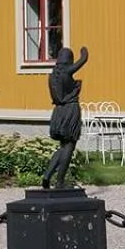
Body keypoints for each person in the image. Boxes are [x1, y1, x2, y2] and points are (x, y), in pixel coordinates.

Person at [40, 45, 89, 189]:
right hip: (70, 111)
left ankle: (47, 175)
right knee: (69, 145)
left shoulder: (52, 75)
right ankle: (59, 182)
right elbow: (83, 60)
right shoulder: (67, 72)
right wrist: (84, 51)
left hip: (58, 112)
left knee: (62, 146)